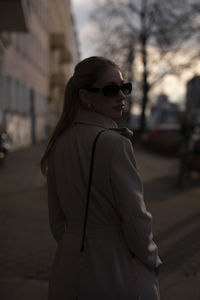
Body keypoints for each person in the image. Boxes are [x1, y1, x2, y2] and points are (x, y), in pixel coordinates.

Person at [40, 56, 162, 300]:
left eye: (124, 87)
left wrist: (74, 244)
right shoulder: (115, 144)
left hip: (66, 269)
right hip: (115, 270)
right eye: (110, 89)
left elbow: (56, 222)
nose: (122, 96)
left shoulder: (57, 144)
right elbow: (135, 218)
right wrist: (152, 259)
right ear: (86, 97)